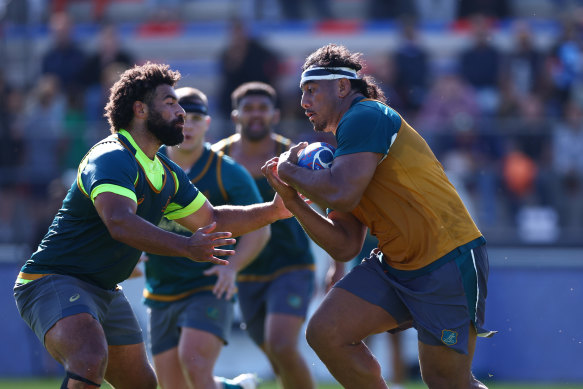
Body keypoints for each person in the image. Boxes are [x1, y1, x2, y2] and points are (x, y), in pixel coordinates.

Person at [13, 62, 291, 389]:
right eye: (171, 103)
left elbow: (212, 219)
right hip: (53, 280)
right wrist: (187, 247)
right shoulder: (112, 156)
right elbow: (119, 222)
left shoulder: (167, 173)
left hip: (104, 289)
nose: (181, 112)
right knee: (89, 359)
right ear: (141, 110)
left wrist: (275, 210)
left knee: (143, 384)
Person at [262, 43, 495, 389]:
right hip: (398, 265)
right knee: (327, 332)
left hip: (448, 260)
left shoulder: (365, 115)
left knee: (448, 383)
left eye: (311, 90)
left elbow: (342, 192)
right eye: (302, 92)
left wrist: (289, 171)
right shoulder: (344, 150)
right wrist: (292, 201)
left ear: (342, 87)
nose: (303, 102)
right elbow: (344, 245)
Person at [141, 86, 269, 389]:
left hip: (208, 286)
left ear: (208, 124)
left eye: (196, 117)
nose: (188, 125)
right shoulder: (144, 166)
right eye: (181, 117)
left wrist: (231, 268)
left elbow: (261, 228)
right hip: (160, 290)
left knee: (194, 363)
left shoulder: (228, 172)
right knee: (175, 386)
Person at [212, 82, 316, 389]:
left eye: (262, 108)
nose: (255, 115)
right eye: (248, 108)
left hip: (292, 265)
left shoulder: (294, 155)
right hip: (246, 271)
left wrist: (338, 262)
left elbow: (335, 200)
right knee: (273, 351)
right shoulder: (218, 159)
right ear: (235, 115)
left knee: (281, 343)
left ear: (275, 114)